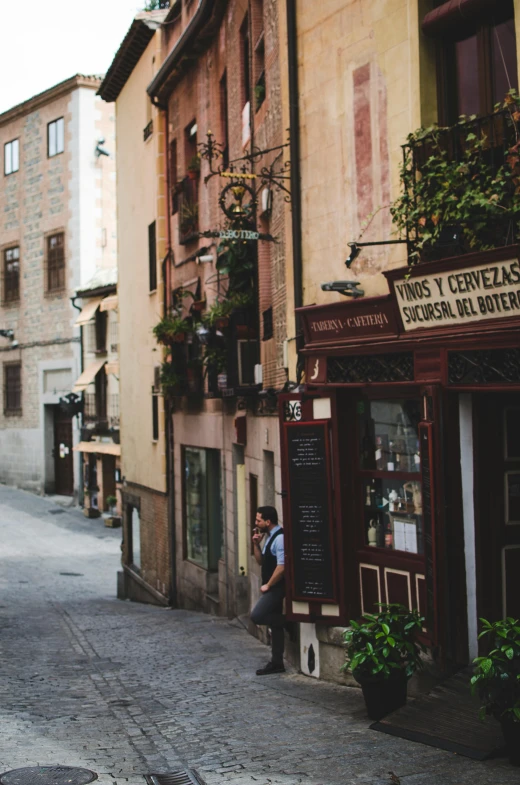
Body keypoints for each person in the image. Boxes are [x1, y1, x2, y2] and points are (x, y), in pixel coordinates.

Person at [250, 505, 286, 675]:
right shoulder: (269, 537)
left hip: (277, 588)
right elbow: (261, 562)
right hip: (272, 586)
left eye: (258, 520)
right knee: (274, 624)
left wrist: (268, 585)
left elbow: (282, 567)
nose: (256, 522)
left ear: (268, 521)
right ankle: (277, 662)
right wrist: (256, 545)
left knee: (257, 615)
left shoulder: (280, 538)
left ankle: (288, 621)